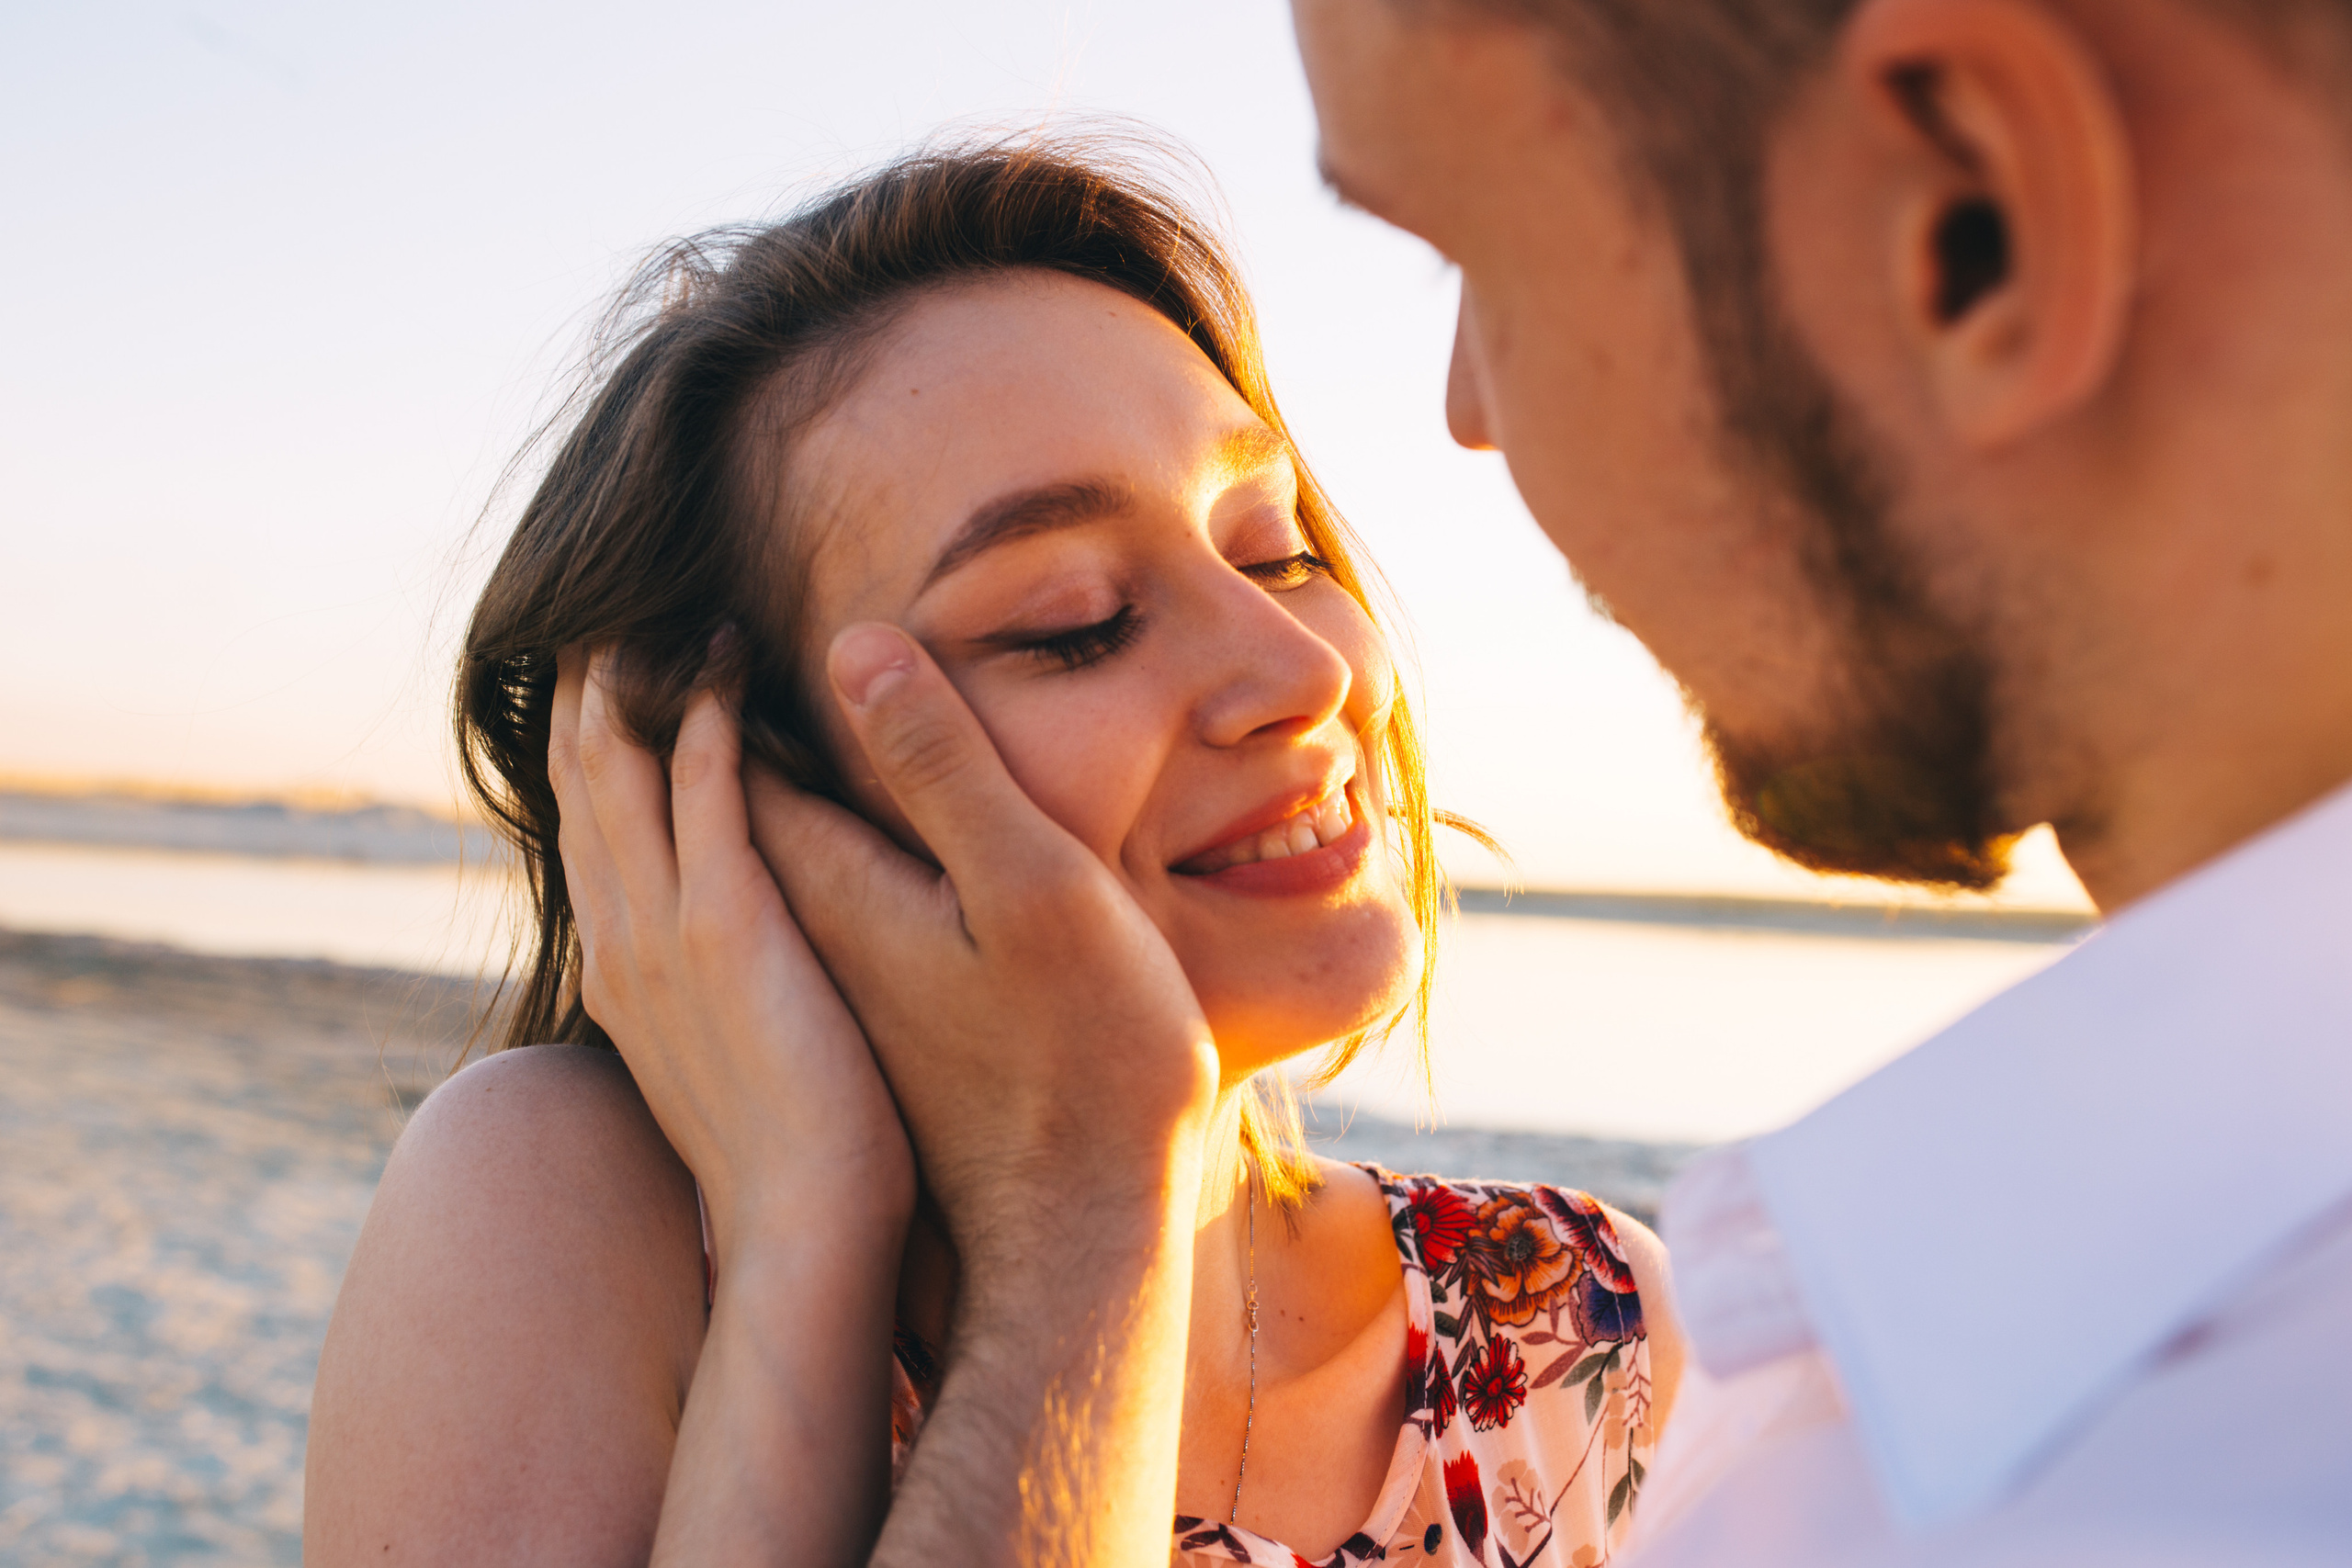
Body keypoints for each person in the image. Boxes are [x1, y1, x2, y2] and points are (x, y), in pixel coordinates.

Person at [621, 0, 2352, 1563]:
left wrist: (1085, 1217)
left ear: (1969, 218)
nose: (1465, 410)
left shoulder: (2061, 1476)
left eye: (1482, 256)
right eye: (1076, 621)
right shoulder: (588, 1223)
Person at [302, 141, 1679, 1568]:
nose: (1300, 666)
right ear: (739, 805)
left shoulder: (1589, 1326)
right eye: (1074, 622)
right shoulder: (556, 1211)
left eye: (1273, 551)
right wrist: (832, 1222)